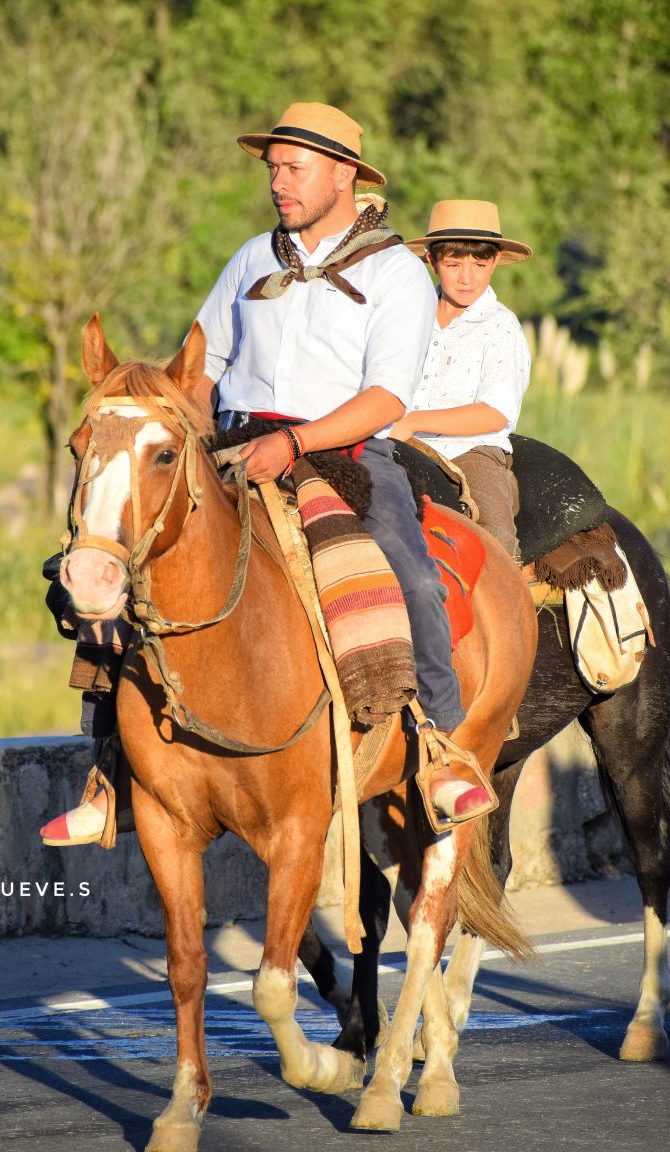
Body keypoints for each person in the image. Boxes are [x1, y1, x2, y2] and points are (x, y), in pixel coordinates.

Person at [41, 104, 495, 847]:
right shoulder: (252, 257)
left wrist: (297, 442)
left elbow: (387, 397)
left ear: (342, 175)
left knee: (409, 575)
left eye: (294, 168)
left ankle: (438, 745)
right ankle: (109, 769)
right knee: (112, 559)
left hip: (345, 453)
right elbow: (204, 365)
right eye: (273, 168)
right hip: (233, 444)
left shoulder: (396, 273)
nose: (278, 182)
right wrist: (183, 431)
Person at [390, 200, 532, 557]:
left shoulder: (500, 326)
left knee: (495, 537)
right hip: (397, 439)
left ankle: (511, 582)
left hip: (470, 449)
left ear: (495, 262)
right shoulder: (407, 316)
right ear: (432, 261)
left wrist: (413, 421)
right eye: (453, 265)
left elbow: (495, 413)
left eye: (479, 265)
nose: (467, 278)